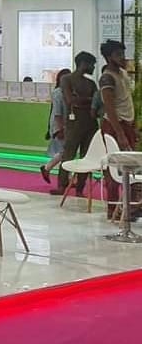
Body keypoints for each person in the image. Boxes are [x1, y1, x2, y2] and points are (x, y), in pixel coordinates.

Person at [99, 39, 136, 217]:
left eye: (122, 53)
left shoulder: (123, 73)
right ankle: (112, 208)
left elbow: (127, 101)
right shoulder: (107, 78)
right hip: (114, 125)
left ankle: (130, 207)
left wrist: (133, 125)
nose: (122, 57)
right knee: (114, 167)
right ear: (108, 57)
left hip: (127, 123)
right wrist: (120, 134)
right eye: (117, 54)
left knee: (131, 166)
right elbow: (110, 108)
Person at [53, 51, 98, 196]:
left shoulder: (91, 83)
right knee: (68, 155)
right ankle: (62, 185)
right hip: (74, 123)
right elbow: (70, 100)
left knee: (86, 157)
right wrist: (88, 100)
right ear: (83, 63)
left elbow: (96, 103)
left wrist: (81, 100)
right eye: (92, 65)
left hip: (90, 124)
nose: (93, 68)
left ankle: (80, 188)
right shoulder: (66, 79)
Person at [40, 67, 71, 184]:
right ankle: (47, 168)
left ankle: (67, 177)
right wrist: (59, 128)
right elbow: (57, 112)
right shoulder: (58, 93)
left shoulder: (65, 92)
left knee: (66, 151)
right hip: (60, 125)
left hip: (63, 124)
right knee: (65, 151)